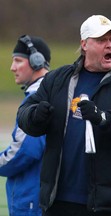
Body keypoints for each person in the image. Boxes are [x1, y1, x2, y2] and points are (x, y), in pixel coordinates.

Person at [17, 15, 111, 216]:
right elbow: (24, 114)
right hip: (58, 201)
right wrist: (36, 116)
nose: (109, 46)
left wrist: (103, 118)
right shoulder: (57, 79)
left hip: (107, 204)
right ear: (84, 44)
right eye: (101, 40)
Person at [0, 35, 51, 216]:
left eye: (18, 60)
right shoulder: (52, 93)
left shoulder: (36, 99)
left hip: (32, 199)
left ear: (37, 61)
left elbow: (24, 151)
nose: (12, 67)